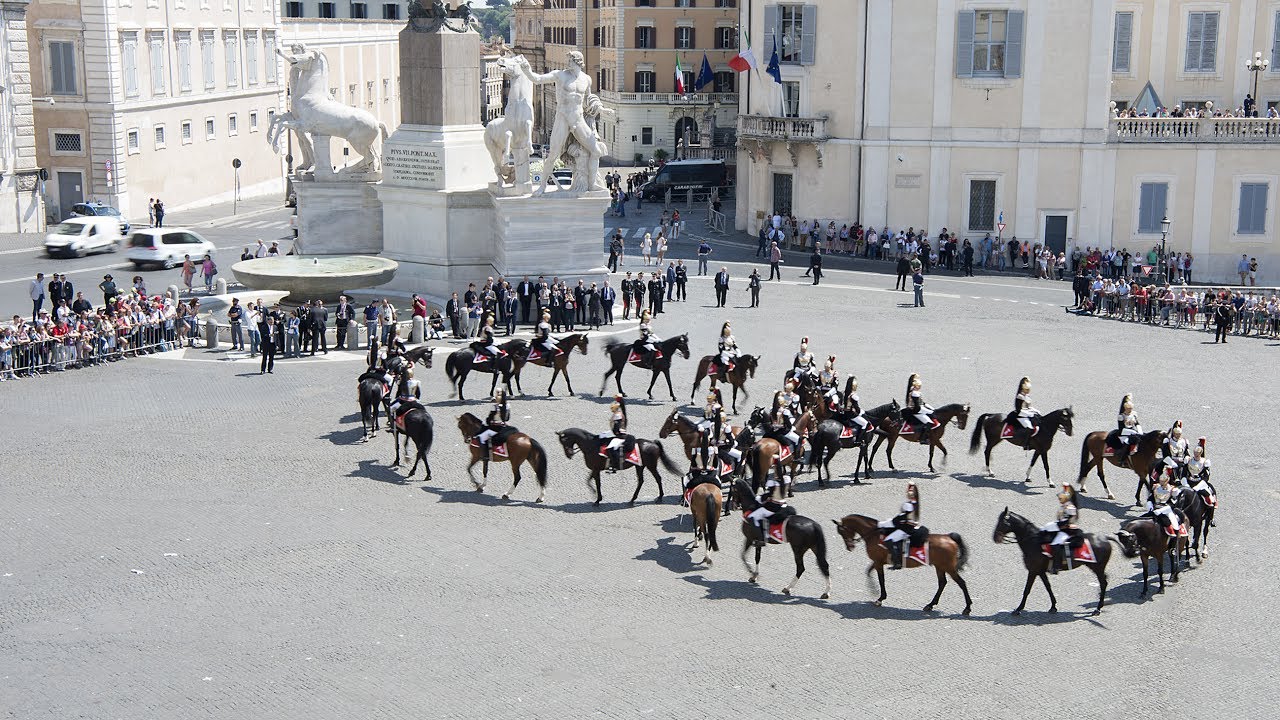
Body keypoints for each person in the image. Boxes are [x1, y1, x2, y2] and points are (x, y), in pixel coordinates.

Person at [877, 483, 921, 569]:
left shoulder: (908, 505)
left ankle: (897, 562)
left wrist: (882, 524)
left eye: (909, 492)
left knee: (888, 540)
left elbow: (896, 521)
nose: (907, 493)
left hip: (906, 529)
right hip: (909, 526)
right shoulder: (914, 503)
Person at [1041, 484, 1080, 573]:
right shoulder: (1064, 506)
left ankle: (1056, 566)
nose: (1059, 499)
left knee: (1055, 543)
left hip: (1067, 530)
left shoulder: (1070, 507)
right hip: (1061, 528)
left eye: (1061, 498)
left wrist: (1056, 525)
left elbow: (1066, 521)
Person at [1182, 438, 1216, 515]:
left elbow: (1206, 477)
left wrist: (1198, 486)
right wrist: (1185, 484)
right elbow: (1184, 473)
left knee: (1210, 499)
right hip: (1189, 482)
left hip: (1200, 483)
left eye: (1197, 453)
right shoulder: (1188, 460)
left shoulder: (1205, 462)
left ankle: (1210, 517)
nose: (1196, 455)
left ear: (1200, 453)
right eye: (1195, 453)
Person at [475, 389, 510, 462]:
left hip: (495, 427)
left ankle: (486, 455)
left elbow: (489, 419)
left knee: (481, 438)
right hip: (504, 426)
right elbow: (507, 418)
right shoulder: (508, 405)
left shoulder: (494, 406)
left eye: (497, 394)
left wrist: (487, 422)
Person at [1144, 471, 1183, 536]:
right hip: (1155, 508)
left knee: (1175, 525)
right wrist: (1149, 504)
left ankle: (1175, 542)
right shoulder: (1155, 487)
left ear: (1167, 481)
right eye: (1160, 481)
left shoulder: (1172, 490)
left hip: (1166, 510)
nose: (1161, 483)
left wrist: (1161, 510)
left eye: (1163, 482)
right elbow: (1151, 498)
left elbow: (1172, 504)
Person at [834, 376, 871, 441]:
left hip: (844, 412)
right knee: (865, 423)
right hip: (851, 415)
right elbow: (856, 407)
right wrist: (860, 412)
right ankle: (858, 440)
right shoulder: (853, 396)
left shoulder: (844, 393)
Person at [902, 373, 935, 443]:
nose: (920, 387)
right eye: (919, 386)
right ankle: (923, 438)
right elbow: (917, 406)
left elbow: (922, 403)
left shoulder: (916, 392)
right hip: (916, 411)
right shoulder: (914, 393)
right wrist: (928, 411)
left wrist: (930, 408)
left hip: (919, 409)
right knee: (929, 422)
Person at [604, 395, 630, 472]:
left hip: (619, 435)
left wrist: (611, 433)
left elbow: (616, 428)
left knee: (611, 448)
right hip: (617, 433)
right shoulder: (617, 414)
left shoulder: (618, 415)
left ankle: (614, 465)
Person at [1116, 393, 1142, 464]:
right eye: (1128, 409)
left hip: (1134, 432)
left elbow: (1137, 423)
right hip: (1124, 434)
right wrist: (1133, 432)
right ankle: (1122, 459)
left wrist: (1140, 431)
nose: (1130, 410)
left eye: (1131, 409)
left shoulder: (1134, 414)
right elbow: (1121, 429)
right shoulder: (1121, 416)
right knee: (1127, 442)